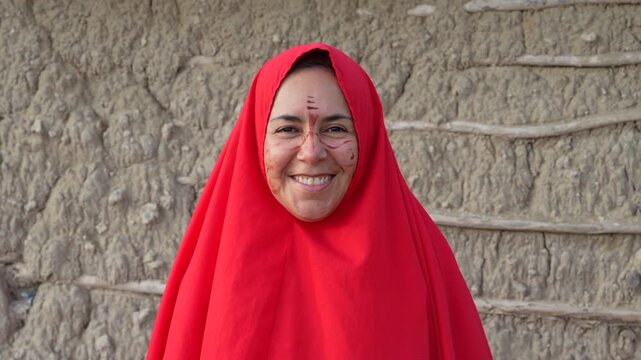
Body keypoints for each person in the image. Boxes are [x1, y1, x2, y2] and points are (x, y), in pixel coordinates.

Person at [147, 43, 492, 359]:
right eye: (288, 130)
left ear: (367, 136)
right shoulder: (209, 268)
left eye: (336, 129)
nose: (312, 152)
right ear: (255, 138)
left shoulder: (424, 264)